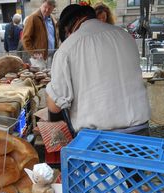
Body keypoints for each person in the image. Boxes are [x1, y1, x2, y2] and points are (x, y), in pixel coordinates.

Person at [46, 4, 150, 136]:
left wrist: (49, 91)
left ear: (69, 28)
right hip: (141, 132)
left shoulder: (68, 47)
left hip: (98, 140)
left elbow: (55, 107)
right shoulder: (125, 36)